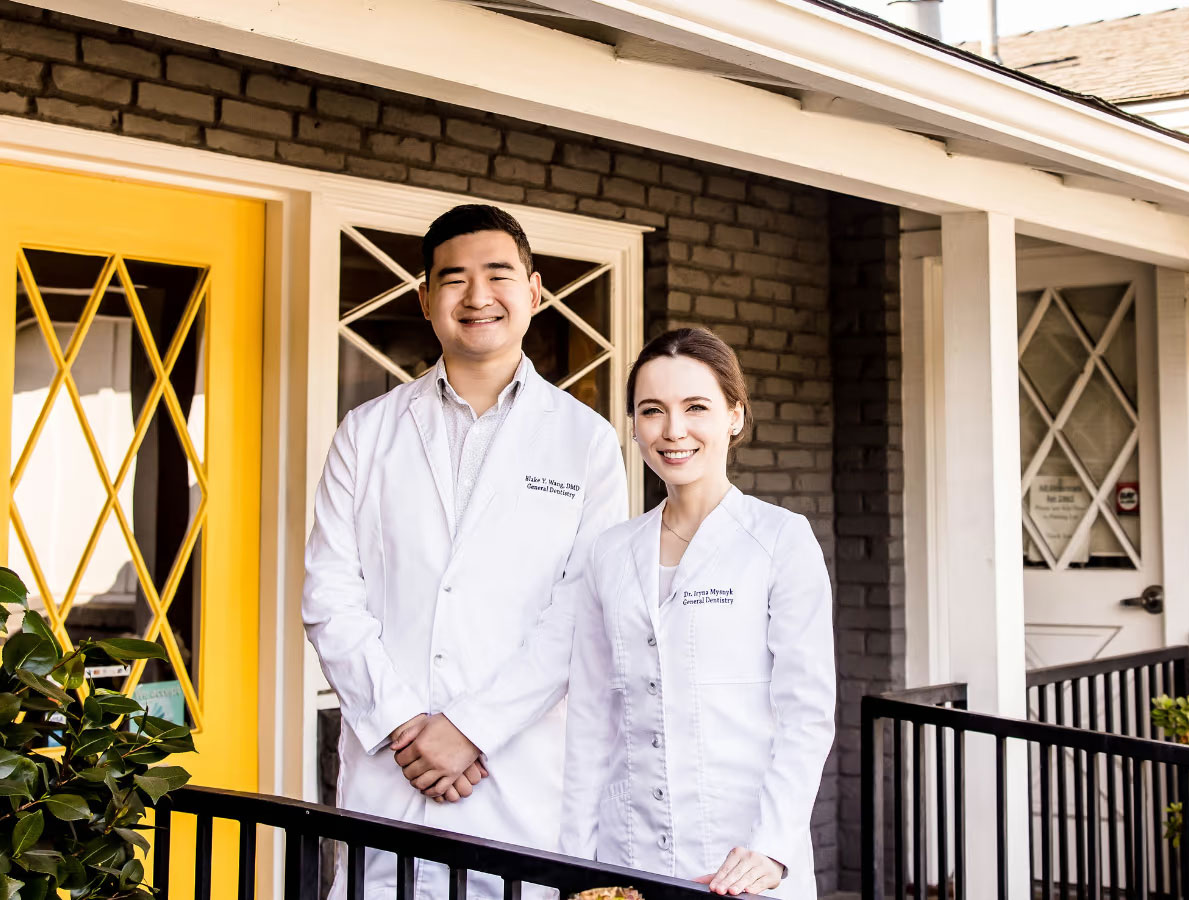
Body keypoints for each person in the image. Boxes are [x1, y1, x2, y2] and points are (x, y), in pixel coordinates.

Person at [302, 204, 627, 899]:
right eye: (454, 279)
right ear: (425, 300)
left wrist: (471, 729)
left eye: (498, 275)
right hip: (392, 768)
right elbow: (329, 596)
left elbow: (580, 613)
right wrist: (403, 725)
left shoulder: (587, 442)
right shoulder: (366, 432)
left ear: (534, 292)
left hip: (518, 774)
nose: (478, 296)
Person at [559, 327, 836, 900]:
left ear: (734, 415)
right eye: (651, 410)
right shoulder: (609, 553)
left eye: (695, 407)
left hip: (742, 861)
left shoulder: (780, 540)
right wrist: (576, 865)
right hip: (626, 856)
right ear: (633, 424)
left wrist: (773, 846)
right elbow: (589, 720)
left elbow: (806, 715)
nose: (673, 430)